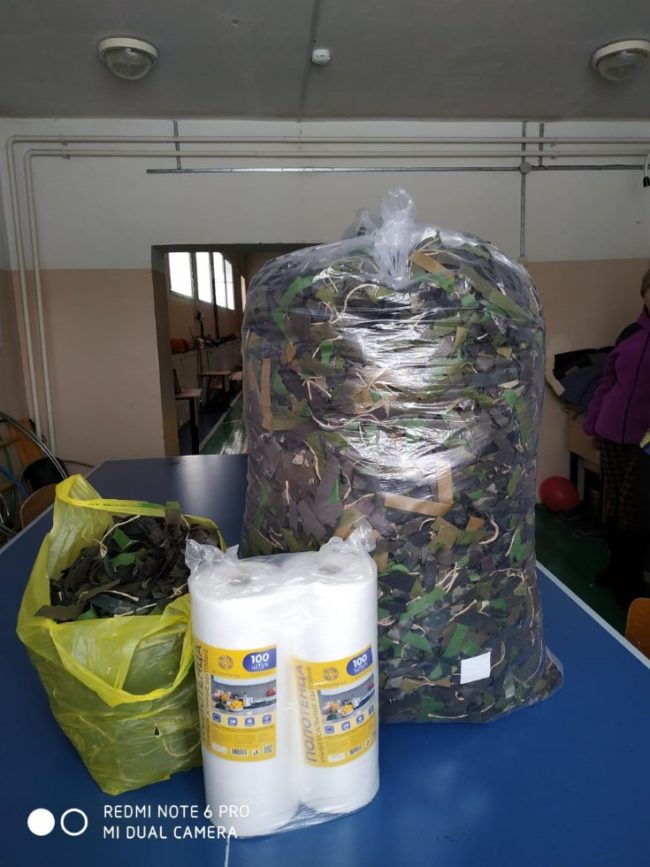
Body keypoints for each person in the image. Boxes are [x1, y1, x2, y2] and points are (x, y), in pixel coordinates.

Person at [583, 268, 650, 602]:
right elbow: (607, 381)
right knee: (613, 502)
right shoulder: (630, 333)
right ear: (644, 293)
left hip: (644, 441)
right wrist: (592, 422)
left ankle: (631, 577)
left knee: (631, 506)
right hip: (610, 430)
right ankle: (615, 567)